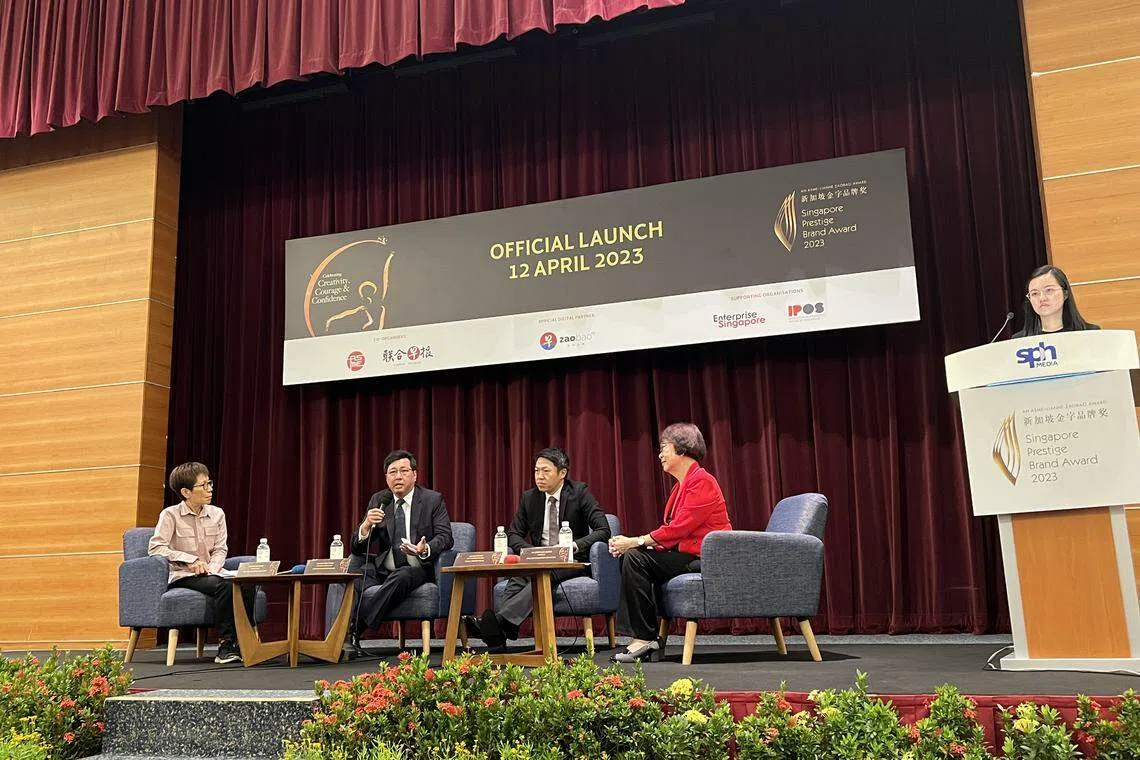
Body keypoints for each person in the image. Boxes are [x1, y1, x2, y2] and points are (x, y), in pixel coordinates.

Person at [463, 447, 611, 652]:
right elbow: (513, 533)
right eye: (536, 471)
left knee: (544, 575)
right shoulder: (530, 498)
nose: (539, 477)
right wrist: (531, 552)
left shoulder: (579, 493)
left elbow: (603, 530)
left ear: (562, 473)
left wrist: (574, 545)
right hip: (537, 558)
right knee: (516, 577)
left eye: (546, 471)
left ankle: (501, 624)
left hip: (569, 560)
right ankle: (500, 632)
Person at [607, 423, 732, 663]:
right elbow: (677, 533)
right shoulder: (681, 486)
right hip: (686, 554)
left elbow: (680, 527)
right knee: (634, 556)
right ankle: (644, 637)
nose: (660, 454)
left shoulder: (702, 481)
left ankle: (644, 639)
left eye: (664, 448)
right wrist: (648, 544)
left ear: (682, 450)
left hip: (705, 558)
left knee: (635, 556)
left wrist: (637, 541)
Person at [148, 462, 255, 665]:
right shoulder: (170, 515)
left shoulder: (217, 514)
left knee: (246, 582)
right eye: (203, 485)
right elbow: (156, 548)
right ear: (186, 492)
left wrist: (212, 569)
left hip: (212, 573)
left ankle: (247, 644)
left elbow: (221, 549)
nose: (209, 489)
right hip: (183, 575)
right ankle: (226, 645)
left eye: (210, 484)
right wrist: (191, 560)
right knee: (225, 587)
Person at [348, 449, 453, 654]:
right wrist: (366, 526)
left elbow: (446, 537)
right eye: (392, 472)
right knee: (355, 576)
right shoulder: (380, 500)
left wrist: (425, 549)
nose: (398, 476)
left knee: (403, 574)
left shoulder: (432, 500)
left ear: (415, 475)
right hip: (384, 568)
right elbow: (357, 548)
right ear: (386, 477)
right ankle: (336, 638)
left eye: (404, 471)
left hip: (417, 567)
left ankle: (356, 629)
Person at [1012, 264, 1099, 338]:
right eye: (1035, 293)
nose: (1042, 298)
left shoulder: (1090, 334)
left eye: (1049, 290)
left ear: (1065, 294)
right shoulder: (1020, 340)